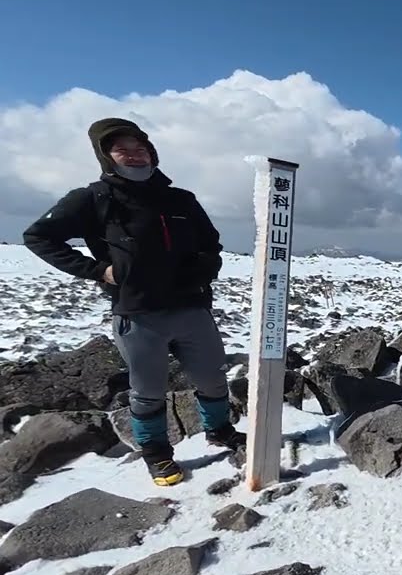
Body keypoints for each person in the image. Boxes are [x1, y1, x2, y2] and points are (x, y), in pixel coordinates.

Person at [23, 117, 246, 487]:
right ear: (106, 156)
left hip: (191, 308)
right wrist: (99, 271)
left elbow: (211, 242)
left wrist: (207, 266)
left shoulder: (180, 199)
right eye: (122, 149)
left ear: (151, 152)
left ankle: (219, 430)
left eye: (139, 148)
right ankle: (157, 453)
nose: (134, 155)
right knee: (148, 390)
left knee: (212, 377)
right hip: (138, 314)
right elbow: (39, 237)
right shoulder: (93, 199)